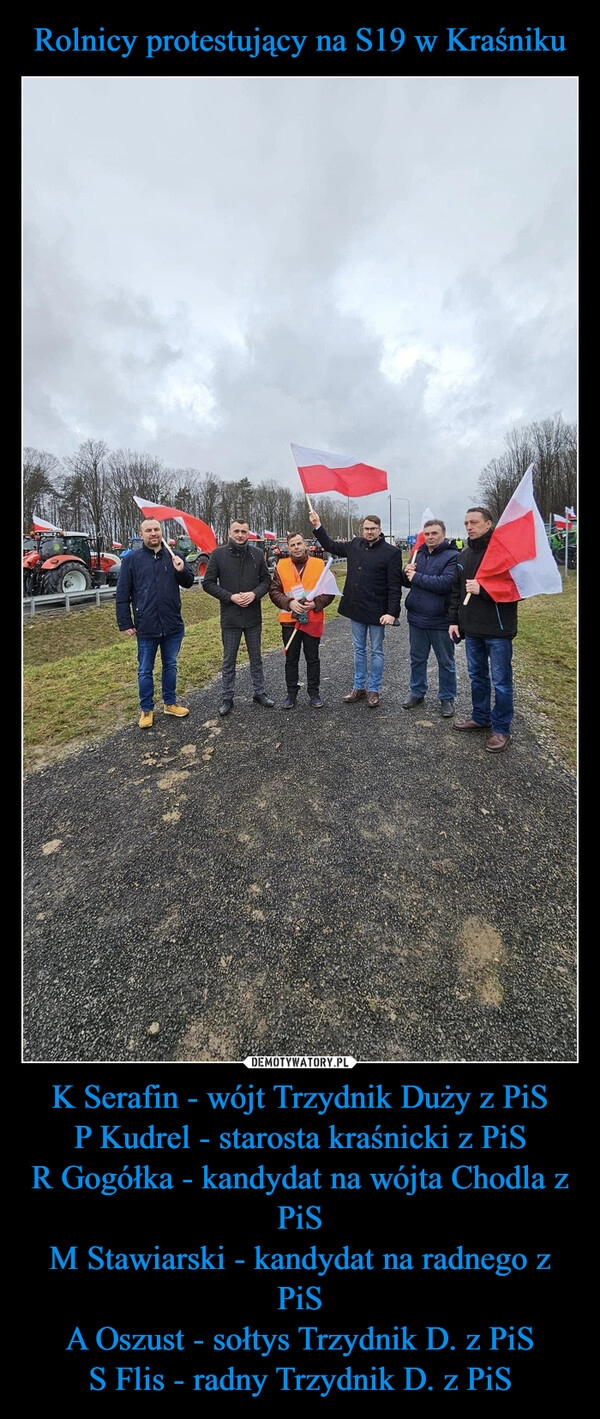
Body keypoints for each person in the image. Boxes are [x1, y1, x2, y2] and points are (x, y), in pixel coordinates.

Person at [308, 509, 402, 707]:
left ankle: (374, 690)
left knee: (376, 651)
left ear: (380, 530)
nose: (369, 532)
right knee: (359, 649)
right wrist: (318, 525)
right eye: (366, 528)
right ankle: (358, 687)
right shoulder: (354, 545)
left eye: (373, 529)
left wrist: (392, 613)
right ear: (362, 529)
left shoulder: (391, 553)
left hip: (378, 612)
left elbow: (395, 586)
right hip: (356, 609)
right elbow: (330, 545)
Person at [447, 506, 518, 752]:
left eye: (474, 522)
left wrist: (484, 591)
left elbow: (516, 589)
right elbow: (456, 591)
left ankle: (501, 729)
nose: (469, 526)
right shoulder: (463, 555)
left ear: (488, 524)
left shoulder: (502, 553)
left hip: (497, 630)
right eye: (466, 522)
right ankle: (480, 717)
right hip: (472, 629)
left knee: (501, 681)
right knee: (477, 676)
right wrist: (454, 620)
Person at [116, 518, 195, 729]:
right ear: (141, 535)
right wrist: (125, 622)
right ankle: (146, 709)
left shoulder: (174, 556)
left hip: (172, 625)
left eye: (156, 529)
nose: (153, 533)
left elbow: (188, 582)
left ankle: (170, 703)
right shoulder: (132, 560)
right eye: (148, 530)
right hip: (146, 625)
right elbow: (123, 594)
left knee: (170, 665)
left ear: (161, 532)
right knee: (144, 670)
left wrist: (181, 569)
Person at [202, 519, 274, 716]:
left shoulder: (258, 554)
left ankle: (259, 693)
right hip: (230, 616)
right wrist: (230, 597)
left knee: (256, 657)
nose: (240, 535)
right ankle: (227, 697)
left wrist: (255, 594)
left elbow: (266, 580)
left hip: (252, 615)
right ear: (229, 532)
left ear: (248, 533)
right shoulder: (218, 555)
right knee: (229, 660)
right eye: (237, 531)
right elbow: (208, 583)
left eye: (244, 531)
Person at [268, 531, 335, 708]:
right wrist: (289, 603)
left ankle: (314, 693)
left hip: (312, 619)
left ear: (305, 545)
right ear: (288, 548)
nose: (296, 547)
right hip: (289, 620)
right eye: (293, 545)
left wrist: (315, 604)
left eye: (299, 544)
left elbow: (329, 591)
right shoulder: (280, 566)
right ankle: (291, 694)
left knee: (312, 658)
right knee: (291, 659)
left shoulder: (319, 564)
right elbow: (274, 591)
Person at [401, 519, 458, 717]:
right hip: (416, 618)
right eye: (427, 534)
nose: (430, 537)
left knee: (445, 661)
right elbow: (407, 583)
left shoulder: (453, 556)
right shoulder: (418, 553)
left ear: (443, 534)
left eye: (434, 533)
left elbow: (445, 583)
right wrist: (406, 572)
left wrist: (415, 576)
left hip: (440, 620)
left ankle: (447, 698)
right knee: (417, 659)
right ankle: (417, 692)